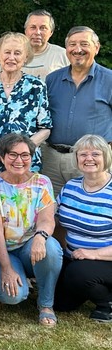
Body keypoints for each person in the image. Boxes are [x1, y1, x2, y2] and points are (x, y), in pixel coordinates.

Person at [0, 134, 62, 326]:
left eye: (25, 155)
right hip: (1, 249)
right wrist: (6, 268)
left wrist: (40, 237)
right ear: (2, 157)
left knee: (51, 247)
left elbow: (47, 219)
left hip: (30, 248)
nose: (19, 160)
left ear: (31, 157)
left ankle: (46, 304)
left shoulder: (42, 182)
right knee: (13, 297)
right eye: (13, 154)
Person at [0, 32, 51, 182]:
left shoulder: (36, 87)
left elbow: (45, 128)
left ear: (26, 57)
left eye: (17, 53)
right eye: (7, 52)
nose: (11, 57)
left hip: (25, 166)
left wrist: (23, 151)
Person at [44, 26, 112, 196]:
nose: (77, 49)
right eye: (72, 44)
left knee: (90, 206)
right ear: (66, 49)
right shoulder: (52, 79)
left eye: (84, 44)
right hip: (52, 159)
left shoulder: (109, 79)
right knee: (52, 207)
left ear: (96, 48)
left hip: (91, 160)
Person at [55, 135, 112, 322]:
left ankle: (107, 303)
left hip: (105, 259)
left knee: (77, 273)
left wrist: (94, 254)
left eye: (95, 154)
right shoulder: (70, 187)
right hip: (75, 257)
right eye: (83, 154)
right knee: (60, 304)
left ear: (106, 157)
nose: (89, 158)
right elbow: (55, 218)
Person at [21, 9, 68, 81]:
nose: (37, 32)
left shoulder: (62, 55)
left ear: (51, 32)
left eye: (43, 28)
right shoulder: (12, 54)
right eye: (33, 27)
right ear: (25, 31)